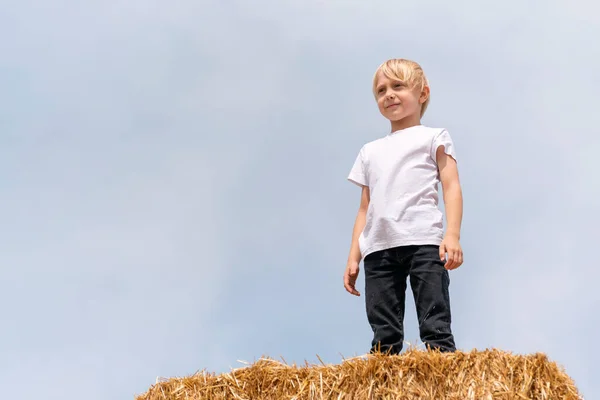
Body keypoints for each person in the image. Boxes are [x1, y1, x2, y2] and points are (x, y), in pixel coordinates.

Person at [343, 58, 463, 355]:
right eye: (381, 90)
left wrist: (453, 235)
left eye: (398, 86)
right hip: (378, 249)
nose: (389, 94)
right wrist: (353, 255)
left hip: (423, 240)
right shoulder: (369, 151)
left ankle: (444, 370)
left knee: (434, 322)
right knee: (384, 332)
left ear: (422, 93)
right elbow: (364, 209)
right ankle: (381, 378)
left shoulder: (434, 136)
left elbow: (451, 187)